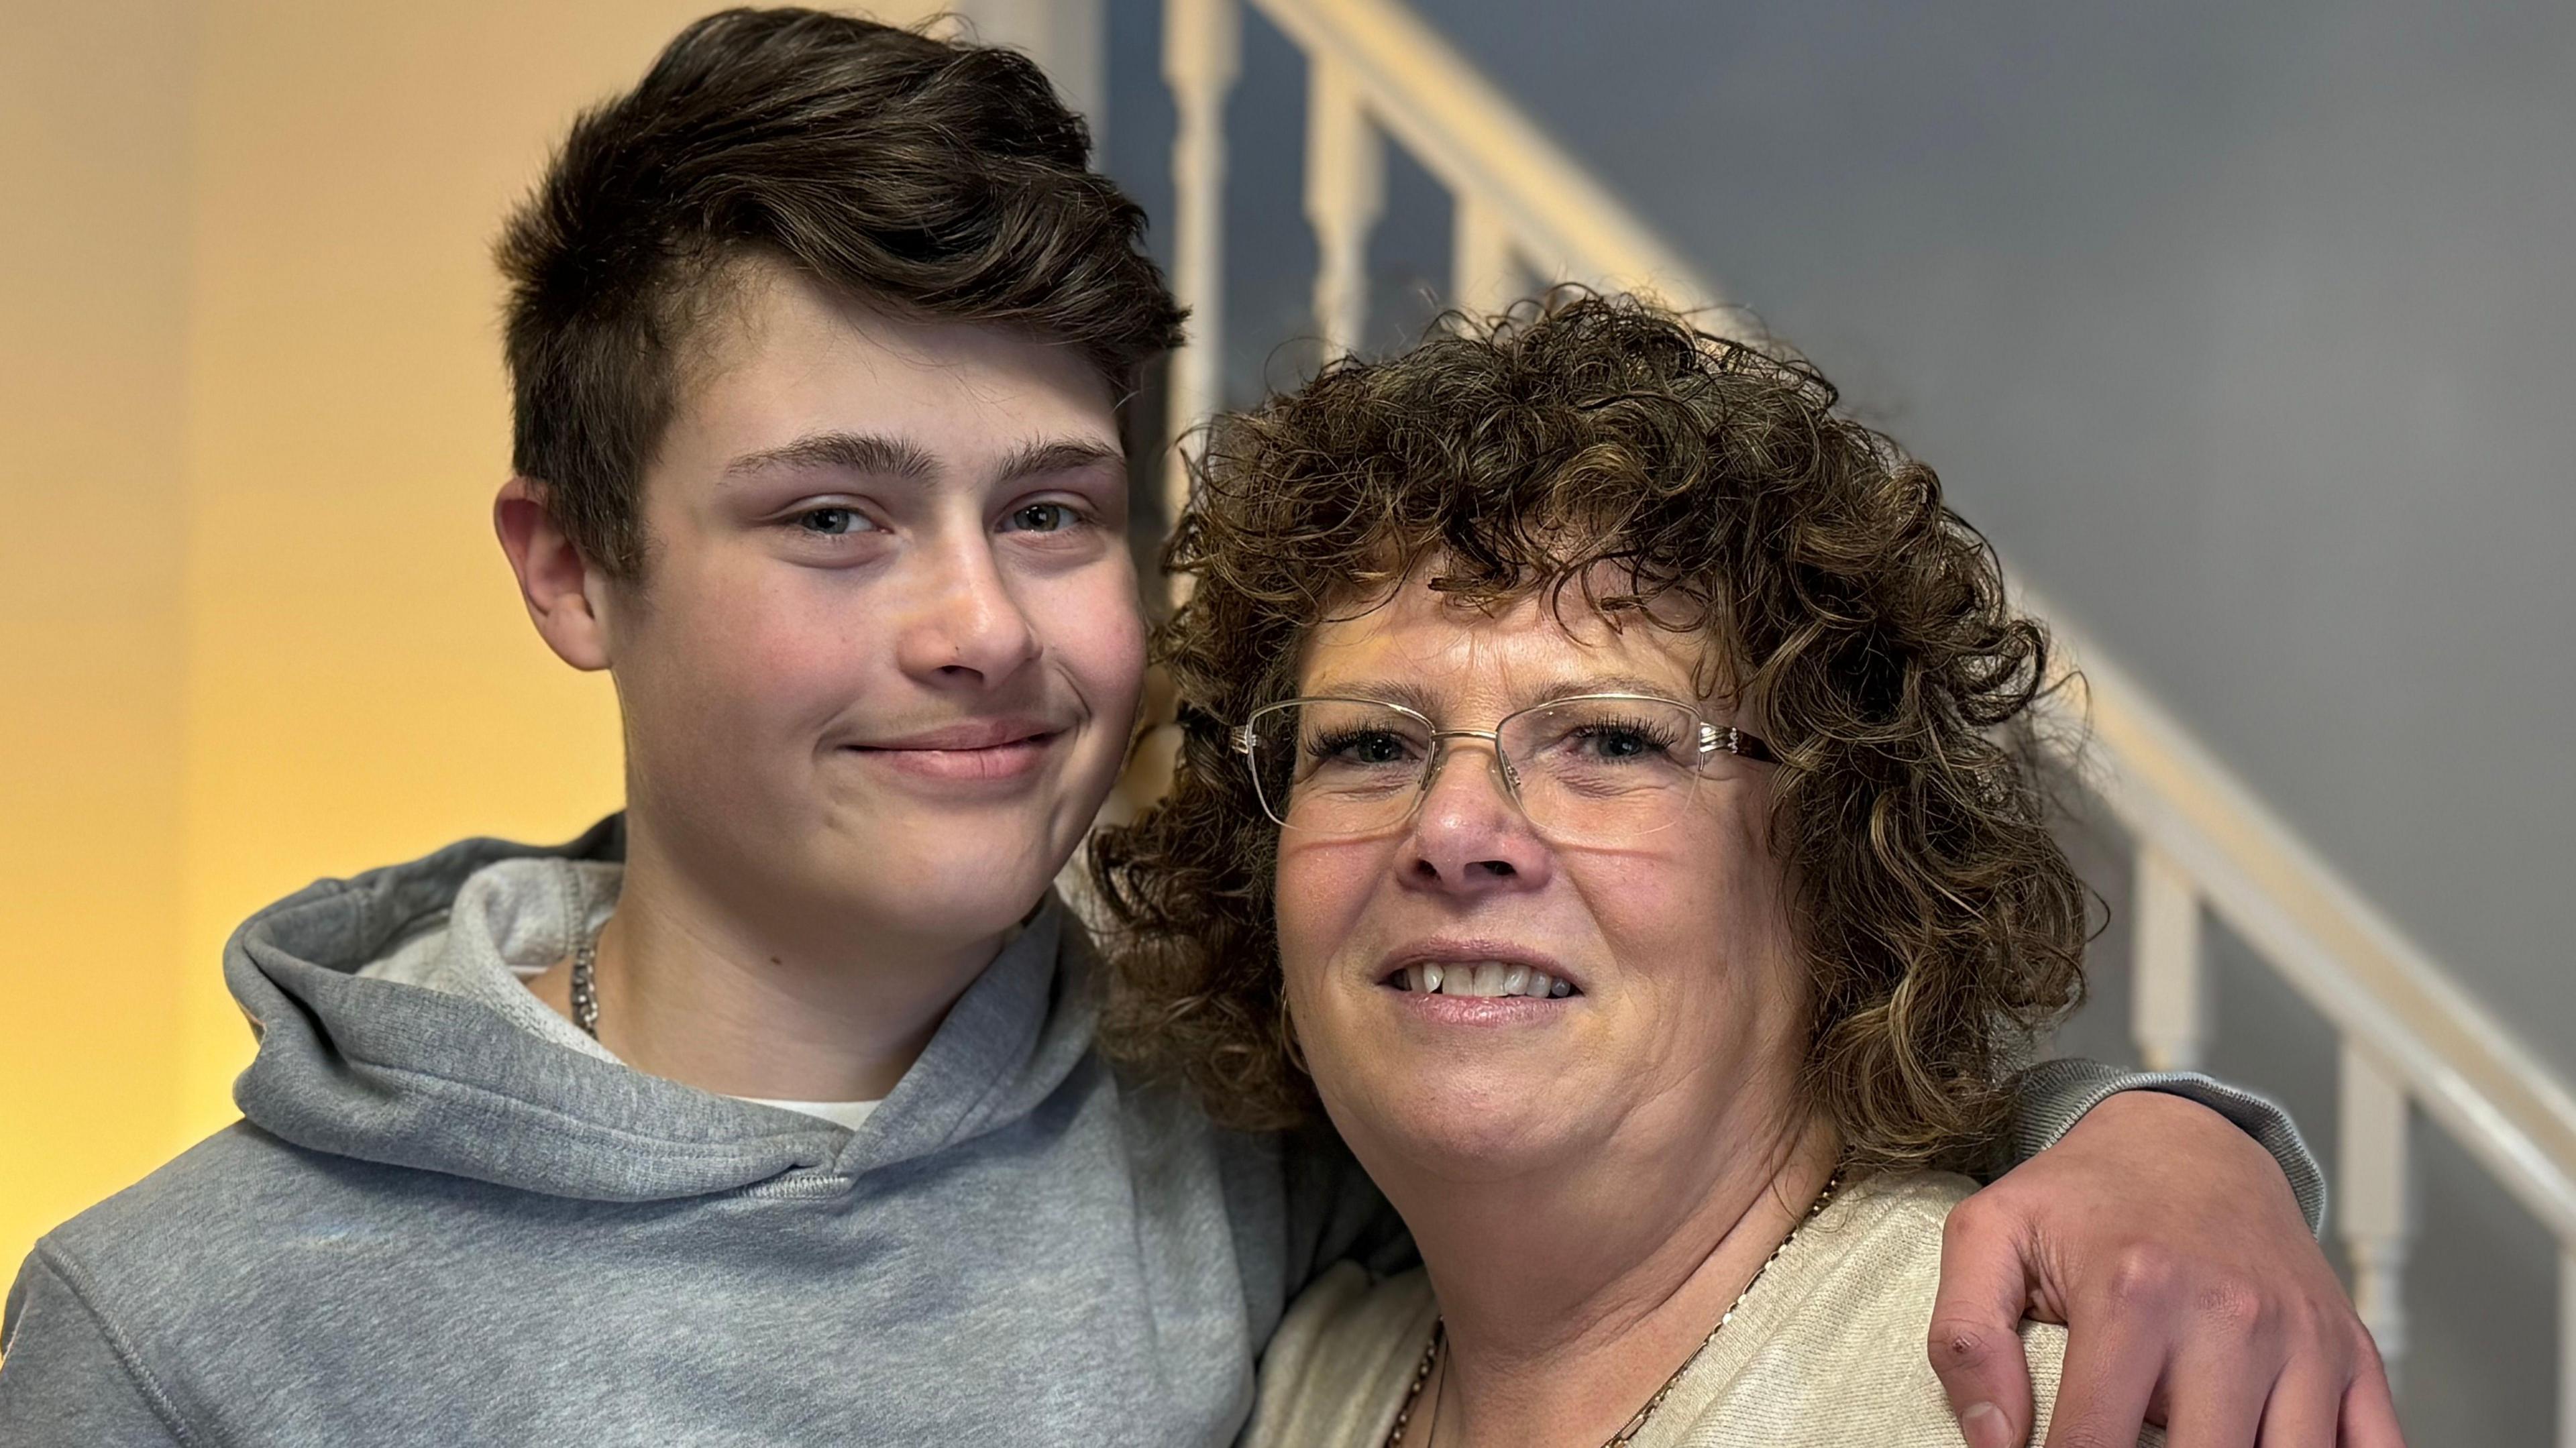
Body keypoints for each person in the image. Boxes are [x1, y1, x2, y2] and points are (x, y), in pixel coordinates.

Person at [0, 11, 2377, 1447]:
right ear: (571, 569)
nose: (978, 629)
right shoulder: (191, 1329)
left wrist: (2179, 1144)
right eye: (832, 518)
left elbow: (1743, 1097)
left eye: (1052, 511)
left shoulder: (1249, 1121)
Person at [1092, 293, 2401, 1447]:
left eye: (1611, 740)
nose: (1451, 830)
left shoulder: (2048, 1400)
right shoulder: (1295, 1379)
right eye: (1370, 746)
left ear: (1839, 858)